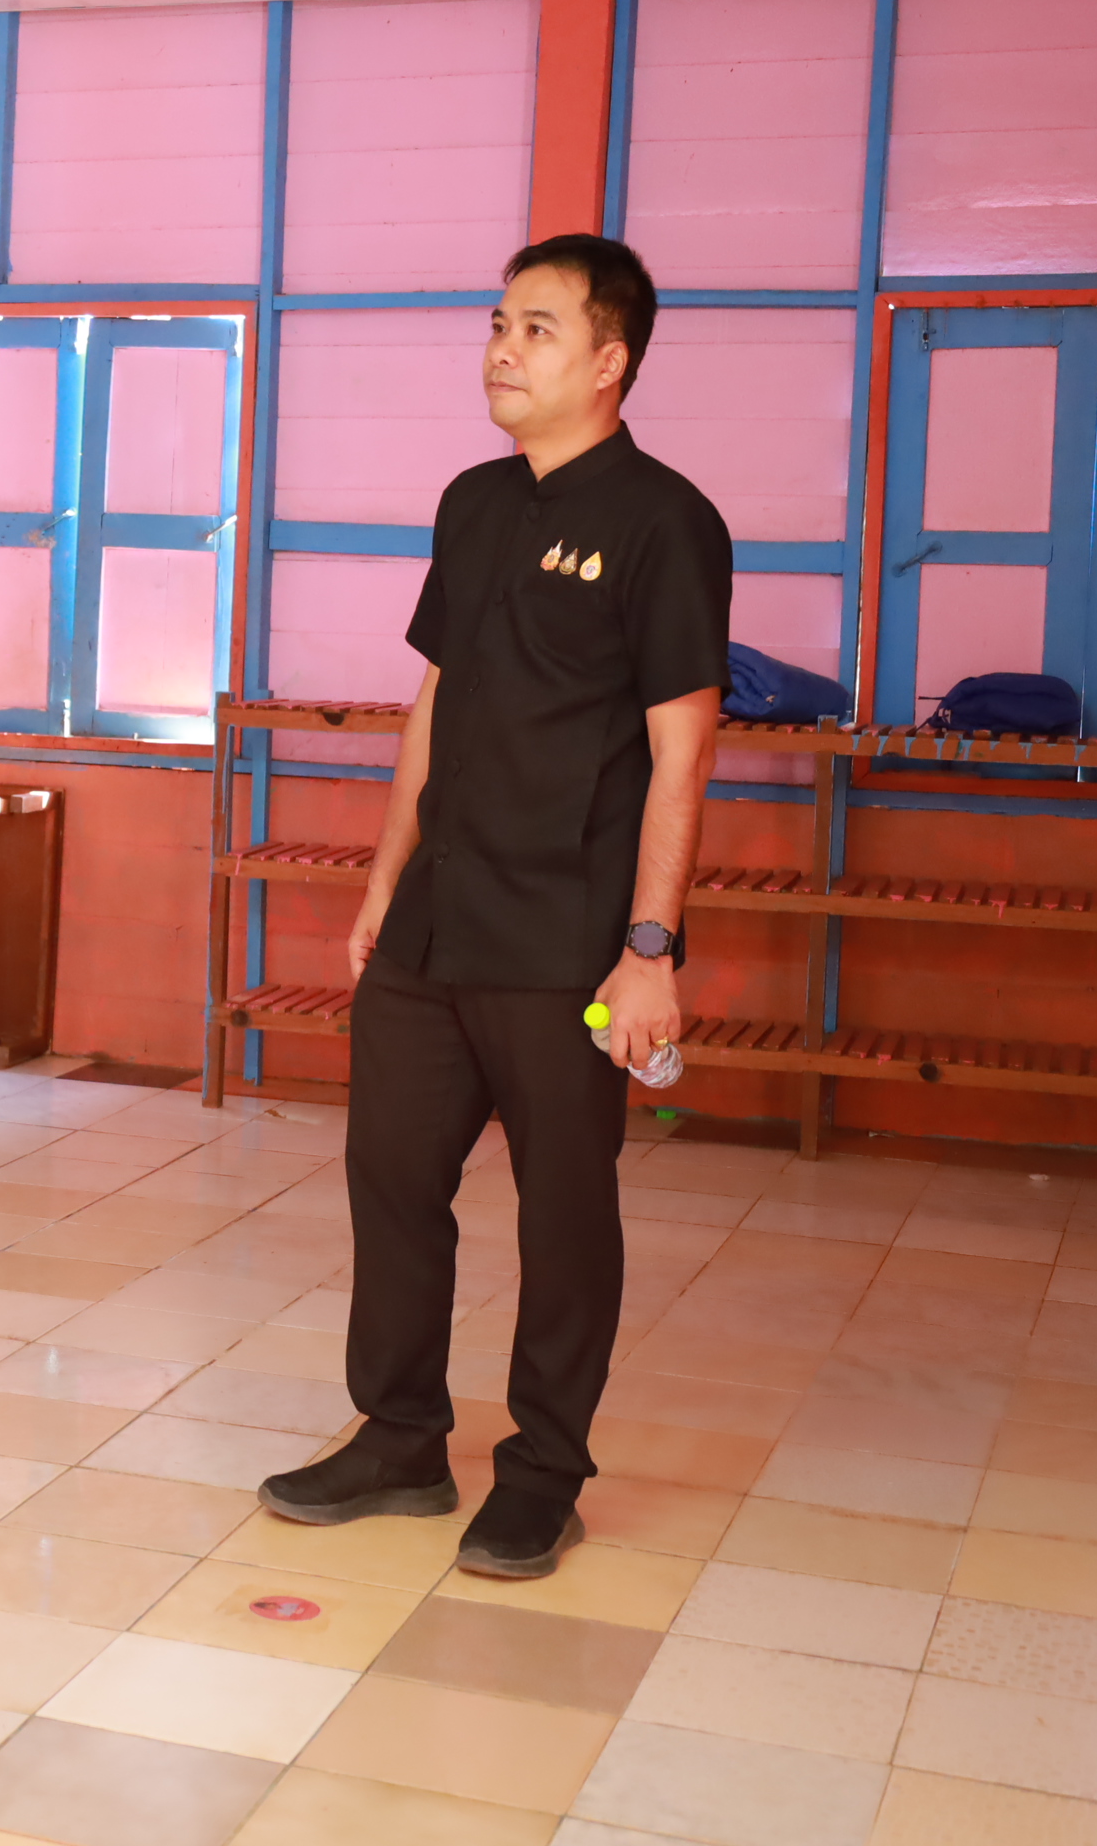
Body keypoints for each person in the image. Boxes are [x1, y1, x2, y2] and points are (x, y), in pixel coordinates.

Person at [256, 234, 729, 1581]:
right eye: (498, 325)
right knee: (392, 1179)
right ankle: (401, 1438)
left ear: (609, 360)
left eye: (535, 328)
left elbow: (684, 753)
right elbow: (435, 704)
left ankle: (543, 1474)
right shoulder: (472, 504)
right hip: (435, 922)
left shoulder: (667, 522)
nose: (502, 350)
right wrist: (382, 880)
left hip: (567, 937)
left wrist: (650, 950)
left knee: (564, 1211)